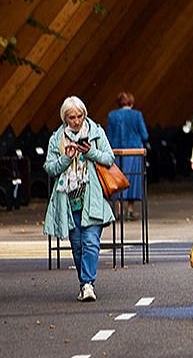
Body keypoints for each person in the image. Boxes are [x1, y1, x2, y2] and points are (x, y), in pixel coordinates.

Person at [42, 96, 116, 302]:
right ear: (65, 118)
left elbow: (109, 158)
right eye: (71, 117)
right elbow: (49, 168)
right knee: (77, 245)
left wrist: (90, 152)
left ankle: (87, 284)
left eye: (80, 116)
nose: (76, 121)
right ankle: (84, 283)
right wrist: (66, 157)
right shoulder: (57, 138)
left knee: (91, 242)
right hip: (68, 200)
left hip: (91, 197)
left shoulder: (96, 132)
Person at [105, 92, 149, 221]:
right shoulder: (137, 115)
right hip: (134, 152)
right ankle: (130, 210)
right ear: (132, 102)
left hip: (116, 152)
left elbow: (108, 134)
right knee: (132, 181)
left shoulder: (112, 116)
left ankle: (118, 210)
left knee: (117, 180)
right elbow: (145, 135)